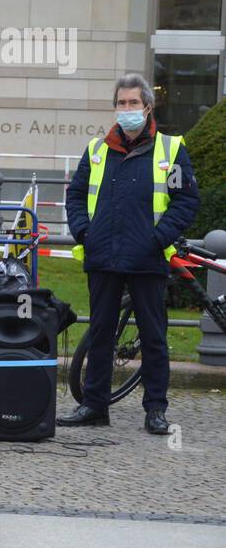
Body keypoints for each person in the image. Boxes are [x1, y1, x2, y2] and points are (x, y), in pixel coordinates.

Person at [60, 73, 198, 435]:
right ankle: (94, 406)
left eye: (133, 103)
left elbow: (185, 201)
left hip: (147, 259)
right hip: (103, 256)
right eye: (120, 103)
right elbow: (75, 196)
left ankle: (155, 410)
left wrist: (157, 239)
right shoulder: (97, 149)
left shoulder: (170, 150)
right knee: (100, 334)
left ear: (148, 106)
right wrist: (85, 233)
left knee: (154, 337)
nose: (126, 110)